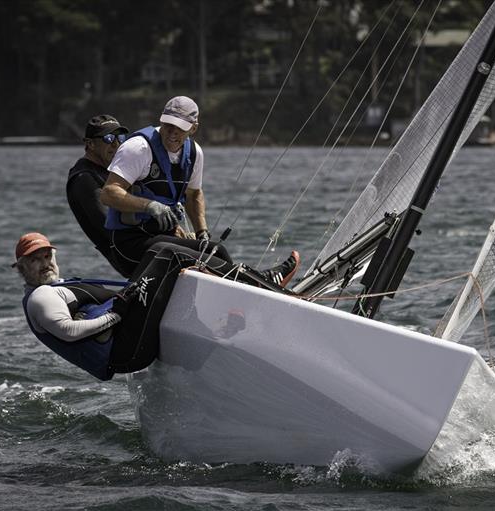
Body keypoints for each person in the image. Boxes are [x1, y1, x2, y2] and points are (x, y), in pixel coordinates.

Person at [15, 232, 299, 381]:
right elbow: (68, 331)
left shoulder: (57, 286)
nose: (45, 264)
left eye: (47, 255)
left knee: (157, 248)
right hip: (124, 349)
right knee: (169, 255)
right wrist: (116, 315)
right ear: (21, 269)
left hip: (126, 334)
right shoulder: (41, 297)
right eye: (35, 260)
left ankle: (220, 330)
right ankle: (262, 282)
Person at [99, 95, 300, 287]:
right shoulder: (138, 148)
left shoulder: (194, 153)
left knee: (210, 249)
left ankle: (251, 284)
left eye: (180, 128)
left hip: (162, 238)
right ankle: (260, 282)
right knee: (215, 252)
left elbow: (193, 196)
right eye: (168, 124)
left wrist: (201, 232)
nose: (172, 132)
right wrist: (149, 206)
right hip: (129, 243)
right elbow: (108, 193)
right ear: (161, 120)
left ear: (193, 128)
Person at [66, 114, 130, 276]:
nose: (116, 144)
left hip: (142, 244)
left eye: (120, 137)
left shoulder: (111, 171)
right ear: (90, 144)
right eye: (109, 138)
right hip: (129, 257)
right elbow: (110, 228)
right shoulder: (84, 179)